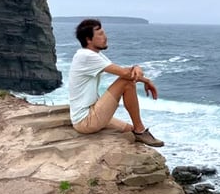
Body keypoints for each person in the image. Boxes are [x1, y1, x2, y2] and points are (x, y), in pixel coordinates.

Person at [68, 19, 164, 147]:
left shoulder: (95, 55)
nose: (105, 37)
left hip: (90, 113)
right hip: (86, 120)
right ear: (88, 39)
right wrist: (140, 72)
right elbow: (125, 75)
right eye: (100, 34)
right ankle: (140, 130)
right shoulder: (86, 56)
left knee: (130, 131)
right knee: (126, 82)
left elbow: (124, 70)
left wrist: (144, 77)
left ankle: (138, 130)